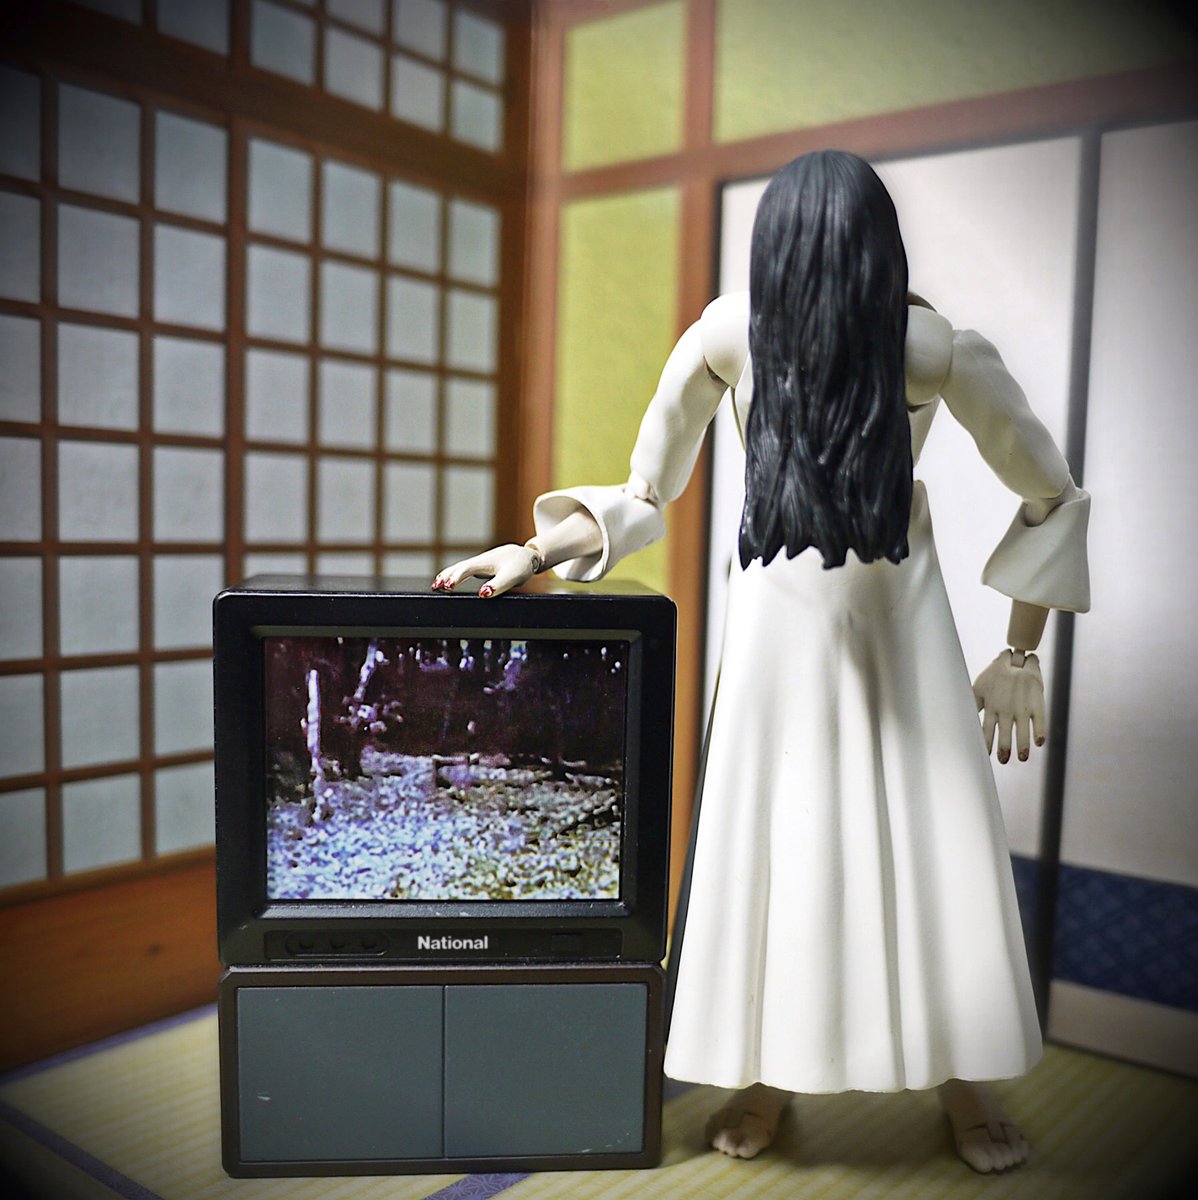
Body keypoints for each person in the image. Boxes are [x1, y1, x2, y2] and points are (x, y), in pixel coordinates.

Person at [434, 150, 1090, 1174]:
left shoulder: (928, 348)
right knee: (779, 846)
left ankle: (962, 1079)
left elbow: (1050, 491)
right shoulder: (729, 337)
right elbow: (646, 493)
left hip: (898, 633)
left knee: (932, 845)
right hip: (779, 637)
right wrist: (531, 551)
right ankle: (767, 1073)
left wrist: (1020, 649)